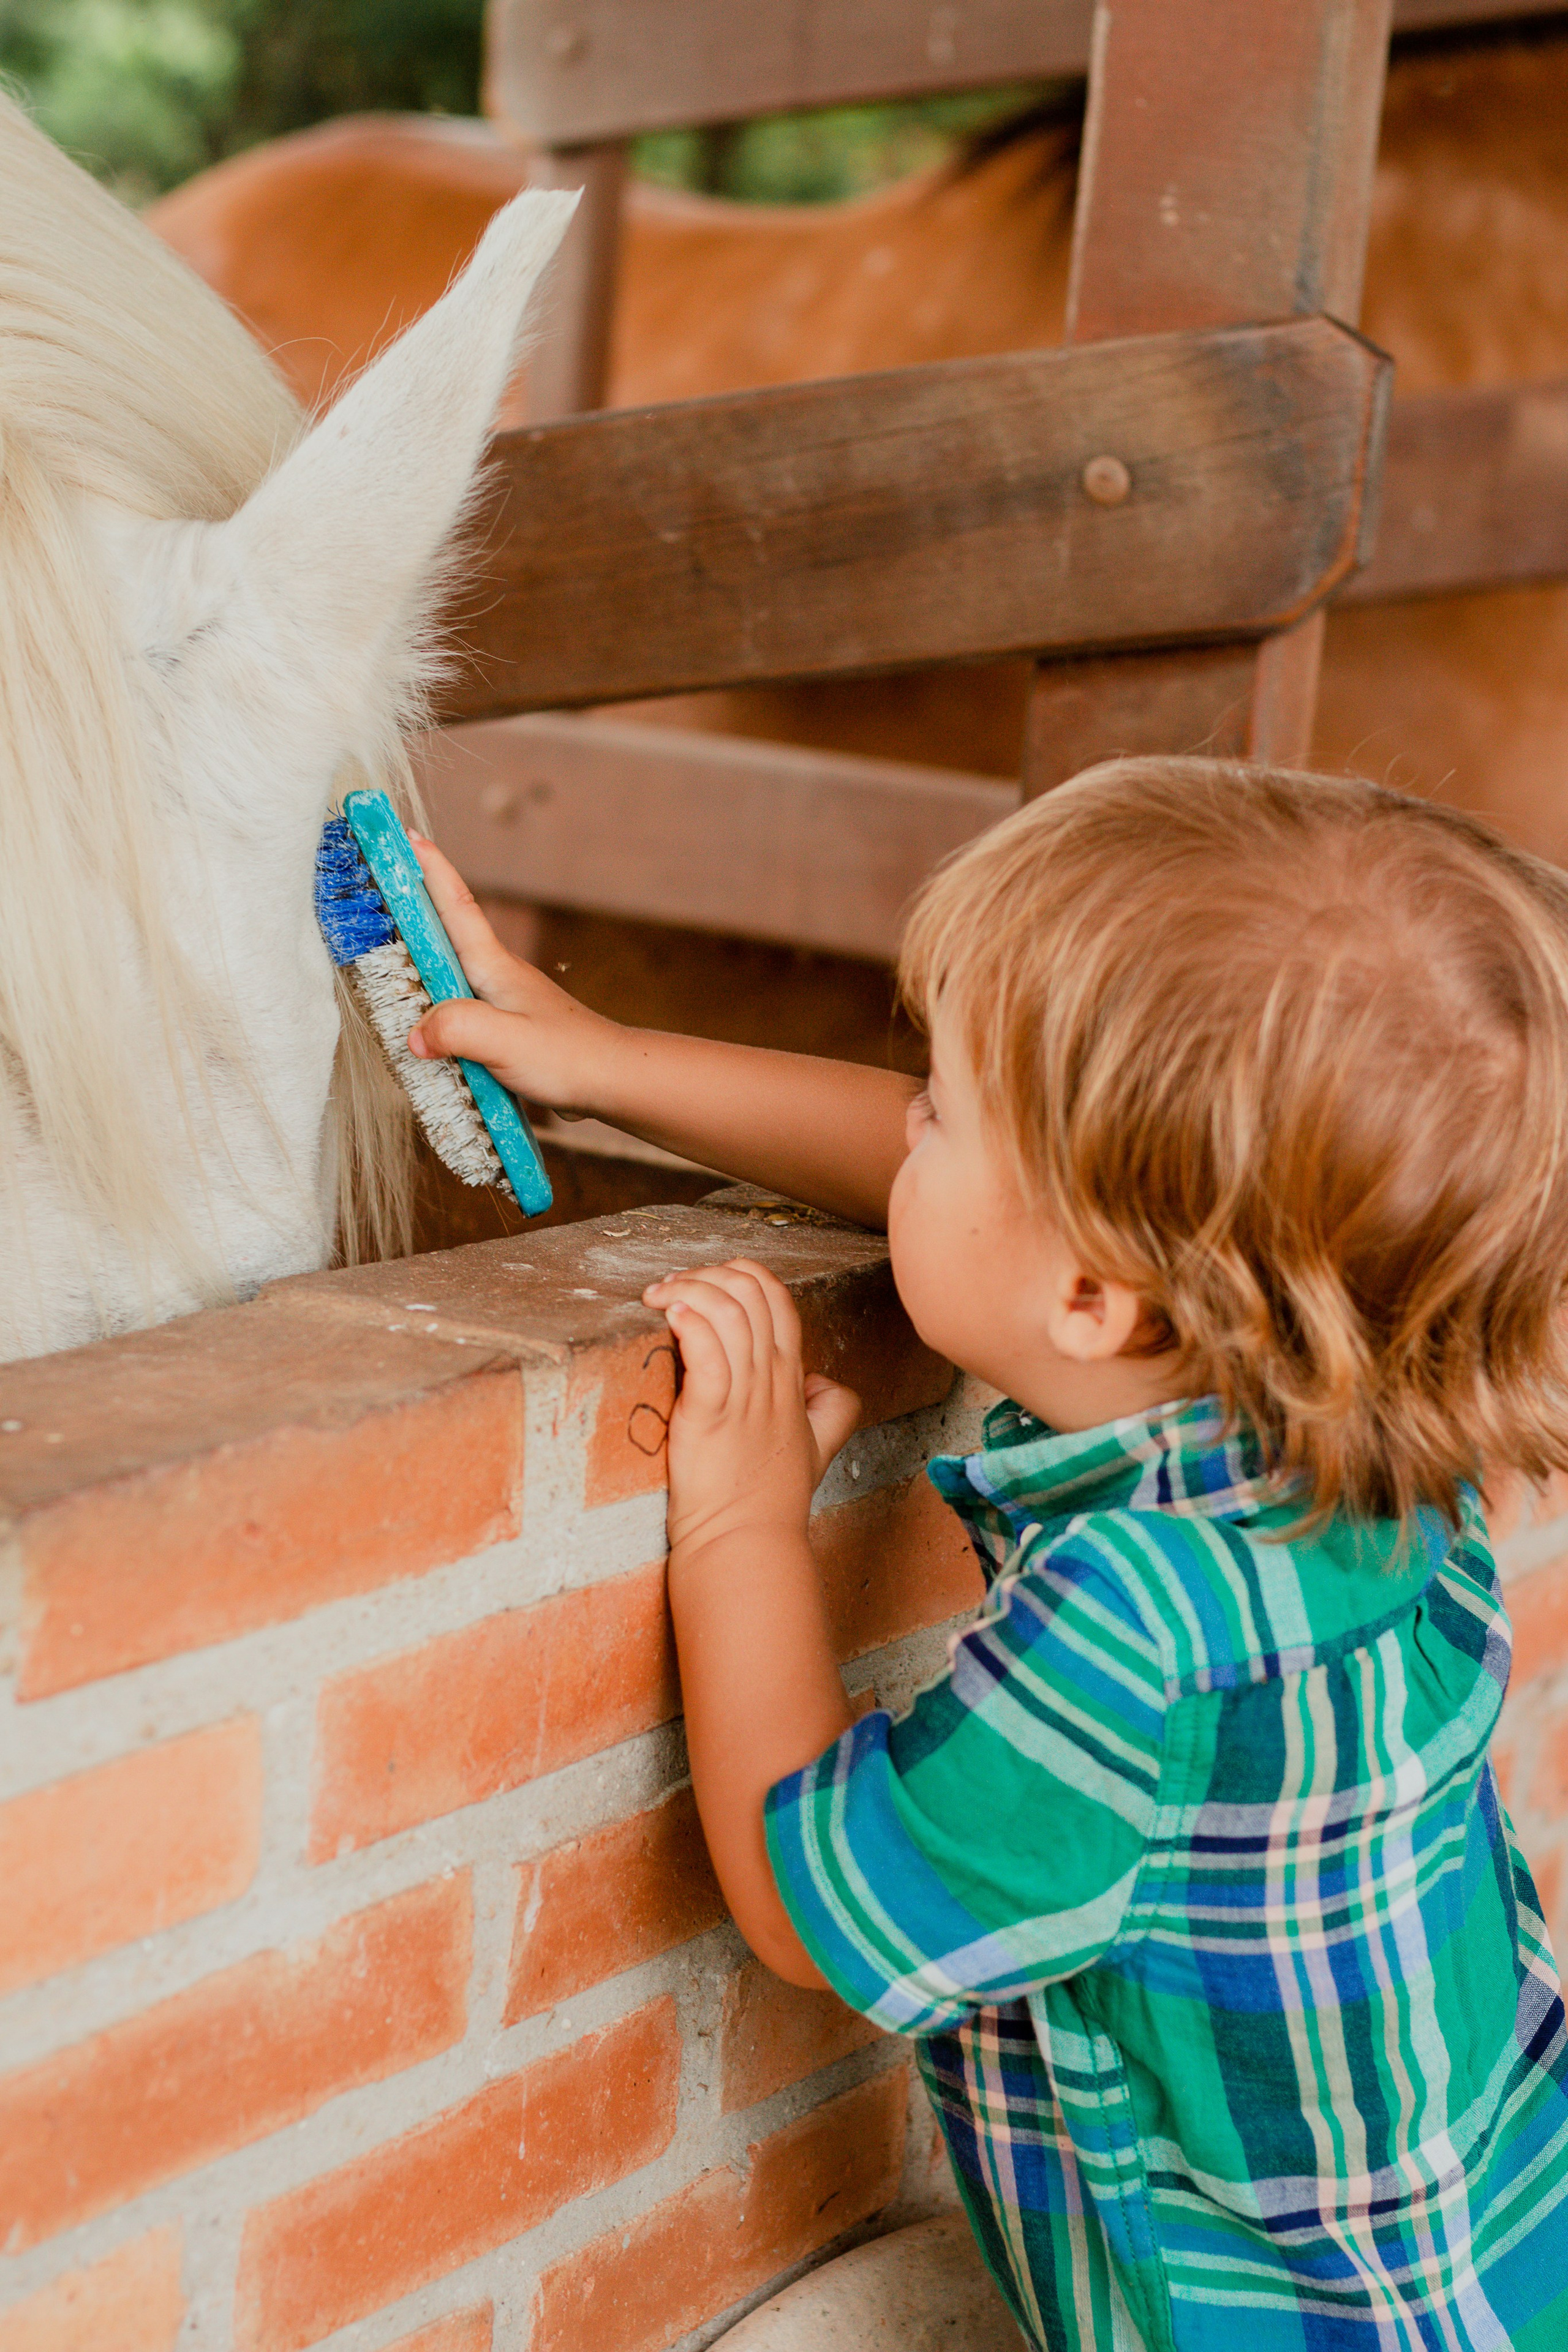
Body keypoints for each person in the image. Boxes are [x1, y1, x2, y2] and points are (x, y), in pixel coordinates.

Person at [406, 757, 1568, 2348]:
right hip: (1500, 2267)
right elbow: (994, 1210)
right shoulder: (1375, 1441)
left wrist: (745, 1525)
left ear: (1096, 1301)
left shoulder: (1139, 1622)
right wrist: (608, 1066)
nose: (902, 1130)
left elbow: (808, 1903)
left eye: (940, 1106)